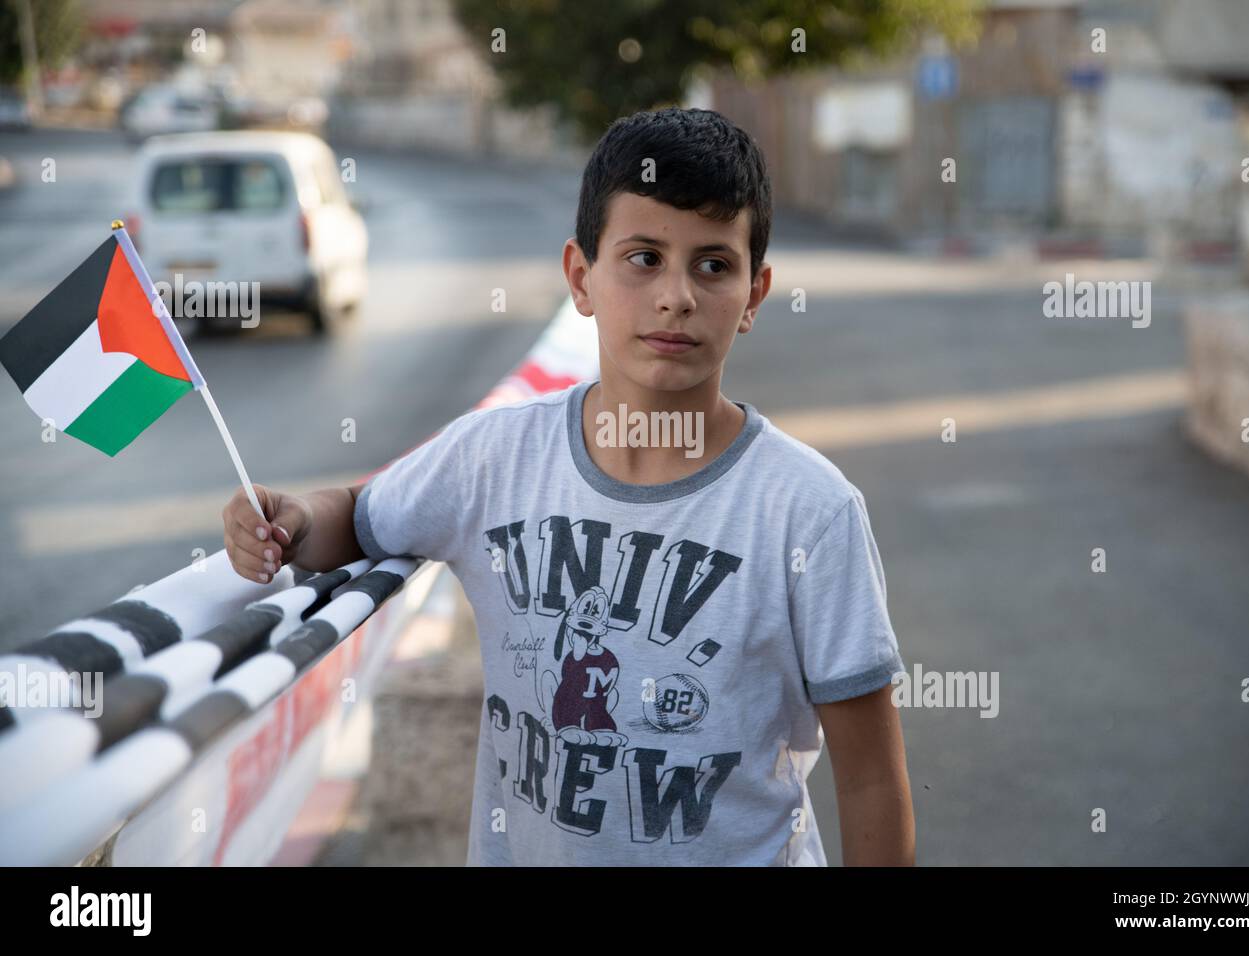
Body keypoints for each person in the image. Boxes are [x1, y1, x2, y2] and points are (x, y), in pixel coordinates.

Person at [221, 107, 913, 866]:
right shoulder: (495, 459)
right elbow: (361, 516)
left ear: (754, 295)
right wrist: (290, 519)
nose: (676, 295)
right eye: (643, 257)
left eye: (714, 264)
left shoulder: (808, 512)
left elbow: (872, 778)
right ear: (581, 278)